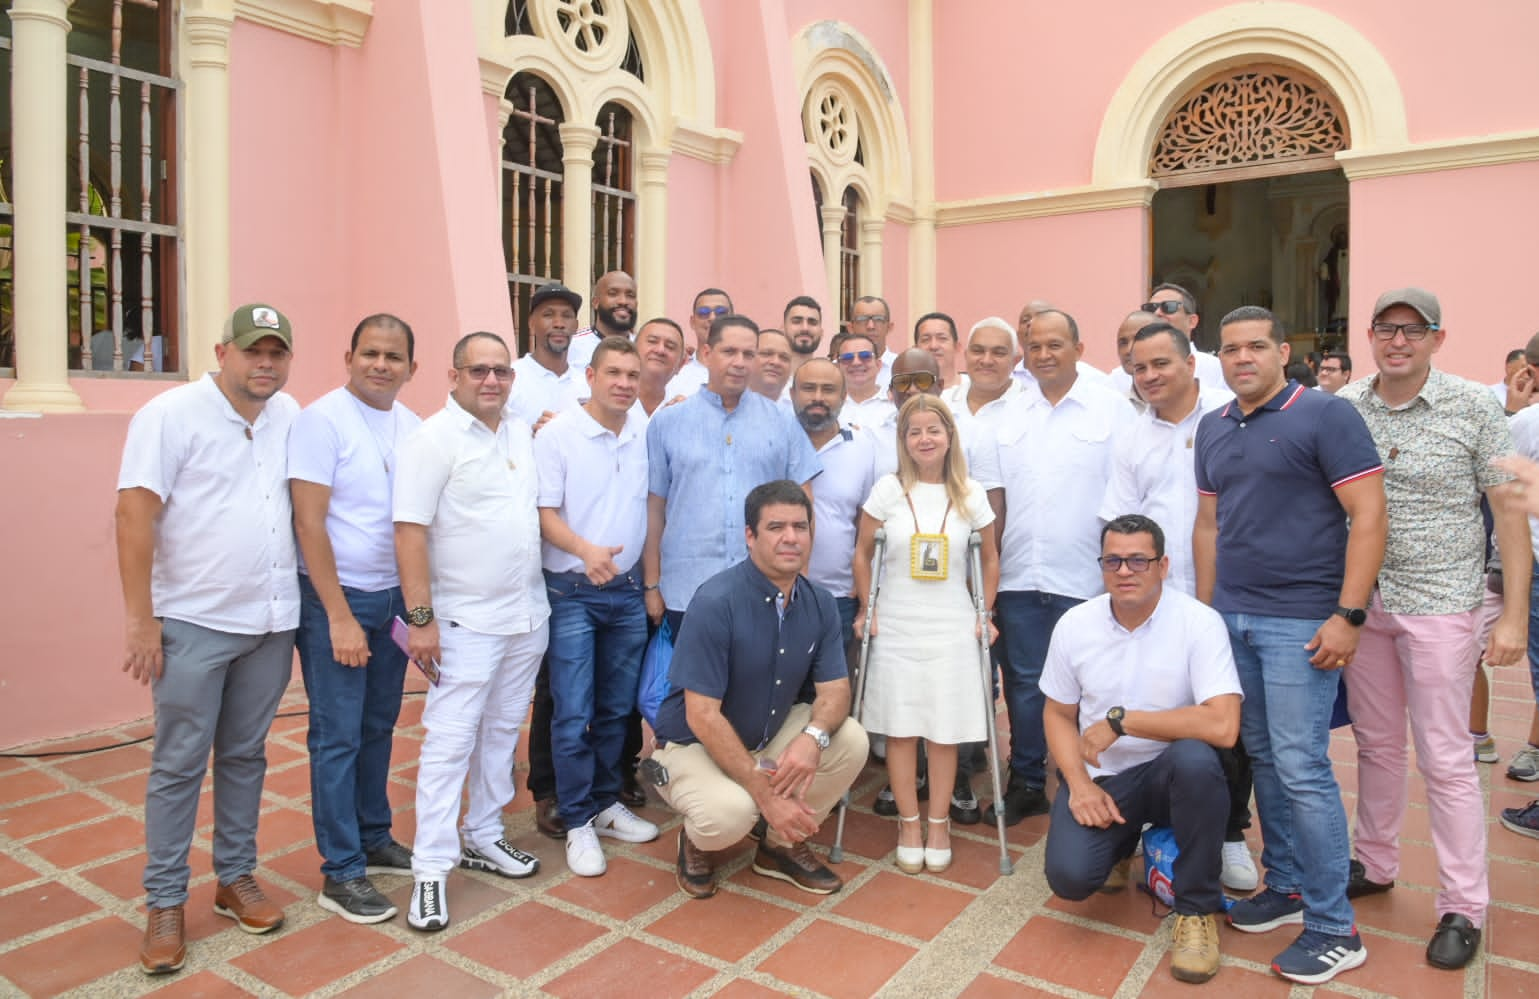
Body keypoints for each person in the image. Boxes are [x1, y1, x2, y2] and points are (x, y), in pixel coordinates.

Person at [1193, 305, 1386, 986]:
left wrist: (1348, 614)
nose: (1240, 358)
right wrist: (1211, 614)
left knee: (1303, 765)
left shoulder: (1325, 415)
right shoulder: (1212, 427)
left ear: (1282, 351)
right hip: (1236, 618)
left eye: (1254, 346)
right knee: (1266, 757)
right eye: (1228, 348)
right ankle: (1287, 883)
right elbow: (1209, 525)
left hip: (1301, 620)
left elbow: (1367, 515)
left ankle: (1335, 927)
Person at [1336, 288, 1529, 970]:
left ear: (1436, 340)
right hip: (1366, 602)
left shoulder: (1472, 406)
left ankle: (1462, 904)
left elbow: (1507, 513)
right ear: (1369, 334)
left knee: (1445, 756)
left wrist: (1508, 610)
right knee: (1378, 746)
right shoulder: (1347, 406)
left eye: (1412, 331)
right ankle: (1377, 861)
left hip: (1441, 603)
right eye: (1386, 329)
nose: (1397, 341)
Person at [117, 304, 300, 974]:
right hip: (194, 622)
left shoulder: (289, 416)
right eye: (254, 351)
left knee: (246, 755)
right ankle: (165, 900)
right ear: (223, 351)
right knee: (178, 763)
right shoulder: (169, 415)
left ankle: (235, 877)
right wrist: (141, 618)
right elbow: (134, 510)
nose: (265, 364)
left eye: (277, 353)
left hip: (271, 622)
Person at [1042, 515, 1242, 985]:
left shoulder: (1198, 623)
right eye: (1113, 560)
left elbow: (1224, 724)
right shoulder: (1076, 624)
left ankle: (1196, 912)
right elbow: (1056, 714)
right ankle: (1120, 843)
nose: (1125, 571)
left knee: (1196, 758)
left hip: (1172, 775)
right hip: (1108, 783)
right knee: (1071, 879)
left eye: (1138, 560)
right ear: (1102, 566)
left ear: (1163, 565)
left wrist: (1123, 720)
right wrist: (1078, 786)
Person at [393, 332, 549, 932]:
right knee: (448, 742)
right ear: (454, 376)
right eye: (479, 370)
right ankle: (430, 870)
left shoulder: (519, 430)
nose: (492, 380)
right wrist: (422, 621)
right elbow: (409, 532)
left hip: (525, 615)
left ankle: (484, 833)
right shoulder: (431, 441)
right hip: (461, 622)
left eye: (502, 371)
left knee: (503, 732)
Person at [652, 480, 869, 898]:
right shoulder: (716, 601)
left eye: (800, 526)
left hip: (767, 734)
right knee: (730, 816)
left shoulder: (820, 602)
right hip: (694, 742)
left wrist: (812, 738)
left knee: (850, 739)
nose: (791, 537)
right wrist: (764, 796)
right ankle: (695, 841)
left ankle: (778, 847)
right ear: (749, 537)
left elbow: (836, 691)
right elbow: (702, 715)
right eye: (775, 527)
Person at [1097, 321, 1253, 892]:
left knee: (1229, 720)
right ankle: (1146, 825)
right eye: (1139, 368)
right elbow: (1121, 519)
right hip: (1158, 599)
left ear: (1192, 362)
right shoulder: (1132, 436)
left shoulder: (1228, 418)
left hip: (1230, 591)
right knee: (1157, 708)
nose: (1150, 376)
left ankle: (1231, 831)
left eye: (1161, 363)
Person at [289, 314, 420, 924]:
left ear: (411, 369)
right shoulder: (321, 421)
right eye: (370, 353)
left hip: (393, 599)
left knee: (378, 726)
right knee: (336, 736)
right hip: (337, 600)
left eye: (393, 357)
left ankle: (374, 835)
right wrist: (337, 614)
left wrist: (420, 606)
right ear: (348, 357)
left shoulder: (414, 426)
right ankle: (340, 871)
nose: (380, 365)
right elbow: (309, 524)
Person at [990, 309, 1134, 825]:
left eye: (1056, 344)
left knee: (1095, 685)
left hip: (1088, 578)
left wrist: (1117, 573)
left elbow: (1125, 498)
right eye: (1035, 346)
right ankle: (1028, 778)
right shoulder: (1010, 413)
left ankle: (1095, 782)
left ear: (1078, 346)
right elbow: (997, 502)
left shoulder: (1112, 410)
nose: (1044, 354)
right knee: (1026, 686)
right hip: (1021, 577)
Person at [853, 395, 998, 873]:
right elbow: (861, 554)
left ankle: (939, 823)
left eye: (932, 430)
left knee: (944, 731)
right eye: (913, 432)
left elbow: (990, 560)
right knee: (900, 728)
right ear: (903, 441)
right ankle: (909, 823)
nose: (924, 439)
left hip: (952, 622)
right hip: (896, 620)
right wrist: (865, 609)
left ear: (949, 435)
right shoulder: (888, 490)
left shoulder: (970, 494)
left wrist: (985, 611)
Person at [535, 337, 661, 877]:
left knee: (617, 710)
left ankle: (607, 802)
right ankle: (579, 819)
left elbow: (652, 511)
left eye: (632, 375)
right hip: (572, 594)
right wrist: (584, 550)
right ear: (590, 376)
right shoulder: (558, 434)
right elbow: (543, 512)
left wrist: (648, 580)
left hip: (628, 592)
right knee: (573, 713)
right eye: (613, 373)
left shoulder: (646, 433)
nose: (624, 384)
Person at [644, 314, 821, 634]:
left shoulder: (782, 422)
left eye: (749, 354)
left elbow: (805, 505)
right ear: (708, 353)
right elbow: (655, 509)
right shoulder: (668, 422)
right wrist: (652, 584)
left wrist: (798, 580)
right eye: (729, 352)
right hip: (686, 589)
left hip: (765, 587)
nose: (740, 362)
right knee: (691, 684)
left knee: (761, 684)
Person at [791, 357, 877, 644]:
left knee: (834, 685)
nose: (818, 398)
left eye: (828, 390)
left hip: (838, 596)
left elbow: (866, 520)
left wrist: (860, 583)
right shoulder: (775, 439)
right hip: (774, 591)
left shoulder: (862, 447)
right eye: (808, 388)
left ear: (843, 396)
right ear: (792, 394)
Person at [509, 282, 586, 428]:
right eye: (548, 315)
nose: (559, 323)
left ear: (576, 326)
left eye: (567, 316)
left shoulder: (587, 385)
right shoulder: (511, 379)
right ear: (531, 323)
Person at [943, 318, 1023, 429]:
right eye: (978, 351)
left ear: (1016, 361)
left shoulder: (1030, 407)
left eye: (998, 353)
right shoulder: (943, 403)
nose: (986, 361)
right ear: (966, 355)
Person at [1141, 283, 1228, 385]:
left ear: (1192, 321)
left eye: (1168, 307)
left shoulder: (1217, 369)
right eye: (1151, 308)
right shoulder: (1127, 373)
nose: (1157, 313)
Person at [666, 288, 732, 398]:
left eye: (721, 312)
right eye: (703, 312)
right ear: (692, 322)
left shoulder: (748, 371)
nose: (712, 318)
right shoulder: (675, 373)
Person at [566, 270, 637, 371]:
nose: (623, 301)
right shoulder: (571, 347)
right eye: (613, 294)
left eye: (630, 295)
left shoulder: (645, 350)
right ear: (595, 303)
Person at [835, 330, 895, 427]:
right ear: (838, 367)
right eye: (847, 358)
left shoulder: (896, 403)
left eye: (865, 356)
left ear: (878, 365)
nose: (856, 363)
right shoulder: (828, 405)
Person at [1105, 309, 1160, 407]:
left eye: (1138, 339)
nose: (1128, 350)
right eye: (1123, 342)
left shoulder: (1185, 399)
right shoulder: (1110, 404)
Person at [634, 317, 686, 417]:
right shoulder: (608, 401)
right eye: (652, 341)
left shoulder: (683, 408)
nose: (660, 350)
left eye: (670, 346)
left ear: (681, 364)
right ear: (633, 351)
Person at [851, 295, 899, 389]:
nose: (870, 326)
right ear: (850, 328)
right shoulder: (836, 369)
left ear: (889, 327)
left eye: (878, 319)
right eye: (862, 319)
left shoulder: (902, 367)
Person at [914, 311, 963, 390]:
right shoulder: (906, 391)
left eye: (942, 338)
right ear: (915, 350)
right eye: (926, 339)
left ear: (957, 347)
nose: (934, 346)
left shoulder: (976, 389)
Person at [751, 328, 795, 403]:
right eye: (766, 354)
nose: (776, 362)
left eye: (784, 357)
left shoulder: (796, 410)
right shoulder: (727, 404)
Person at [784, 295, 824, 368]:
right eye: (796, 321)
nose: (805, 328)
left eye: (812, 323)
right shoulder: (767, 378)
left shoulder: (830, 378)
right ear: (783, 330)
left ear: (821, 333)